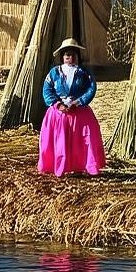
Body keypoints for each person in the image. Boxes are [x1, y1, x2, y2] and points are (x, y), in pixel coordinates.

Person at [38, 38, 105, 177]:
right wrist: (57, 104)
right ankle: (58, 166)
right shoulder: (54, 73)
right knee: (59, 141)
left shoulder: (84, 73)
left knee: (83, 140)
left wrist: (78, 102)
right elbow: (47, 90)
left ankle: (82, 165)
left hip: (79, 113)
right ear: (62, 57)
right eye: (67, 55)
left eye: (74, 54)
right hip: (58, 114)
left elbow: (91, 89)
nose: (71, 57)